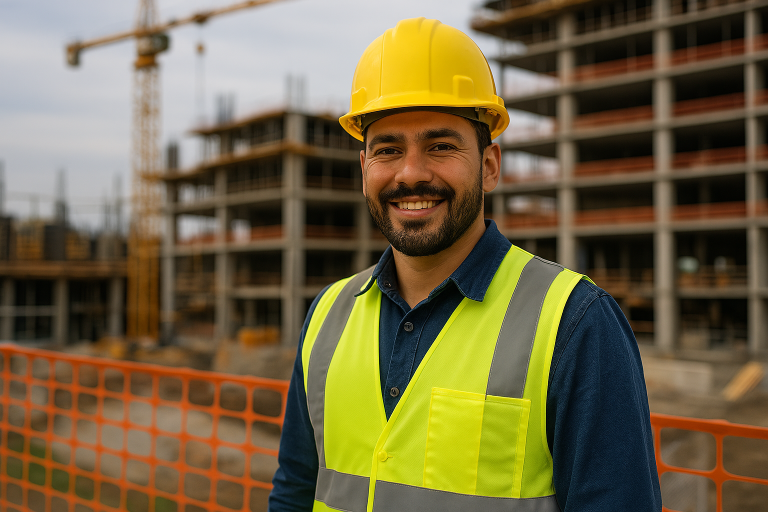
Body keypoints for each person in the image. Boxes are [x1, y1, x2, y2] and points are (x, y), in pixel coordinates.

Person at [269, 17, 661, 512]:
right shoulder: (327, 315)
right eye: (387, 149)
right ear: (364, 168)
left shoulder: (575, 323)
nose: (411, 173)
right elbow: (295, 491)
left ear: (490, 165)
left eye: (441, 146)